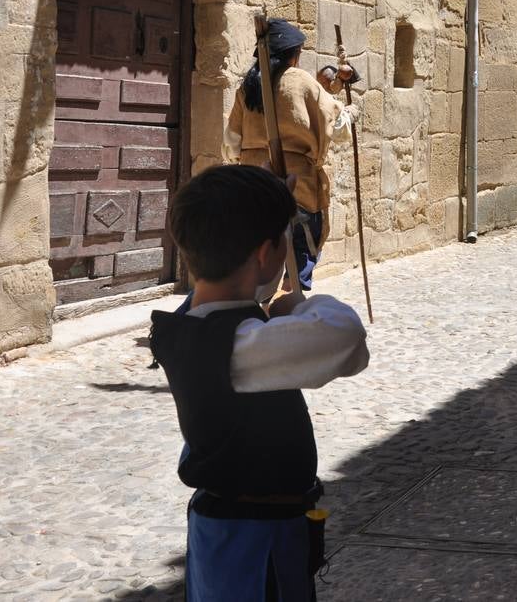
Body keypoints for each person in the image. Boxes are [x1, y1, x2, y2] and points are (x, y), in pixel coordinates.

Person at [149, 165, 370, 600]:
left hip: (228, 534)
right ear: (267, 254)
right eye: (281, 241)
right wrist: (298, 309)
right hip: (255, 544)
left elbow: (231, 289)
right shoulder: (243, 348)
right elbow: (347, 336)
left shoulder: (189, 324)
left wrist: (271, 206)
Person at [226, 19, 359, 290]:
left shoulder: (249, 85)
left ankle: (260, 298)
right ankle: (290, 294)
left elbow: (231, 144)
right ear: (294, 54)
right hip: (298, 186)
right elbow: (337, 125)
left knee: (254, 248)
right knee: (303, 244)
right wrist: (352, 112)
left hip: (254, 182)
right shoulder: (300, 80)